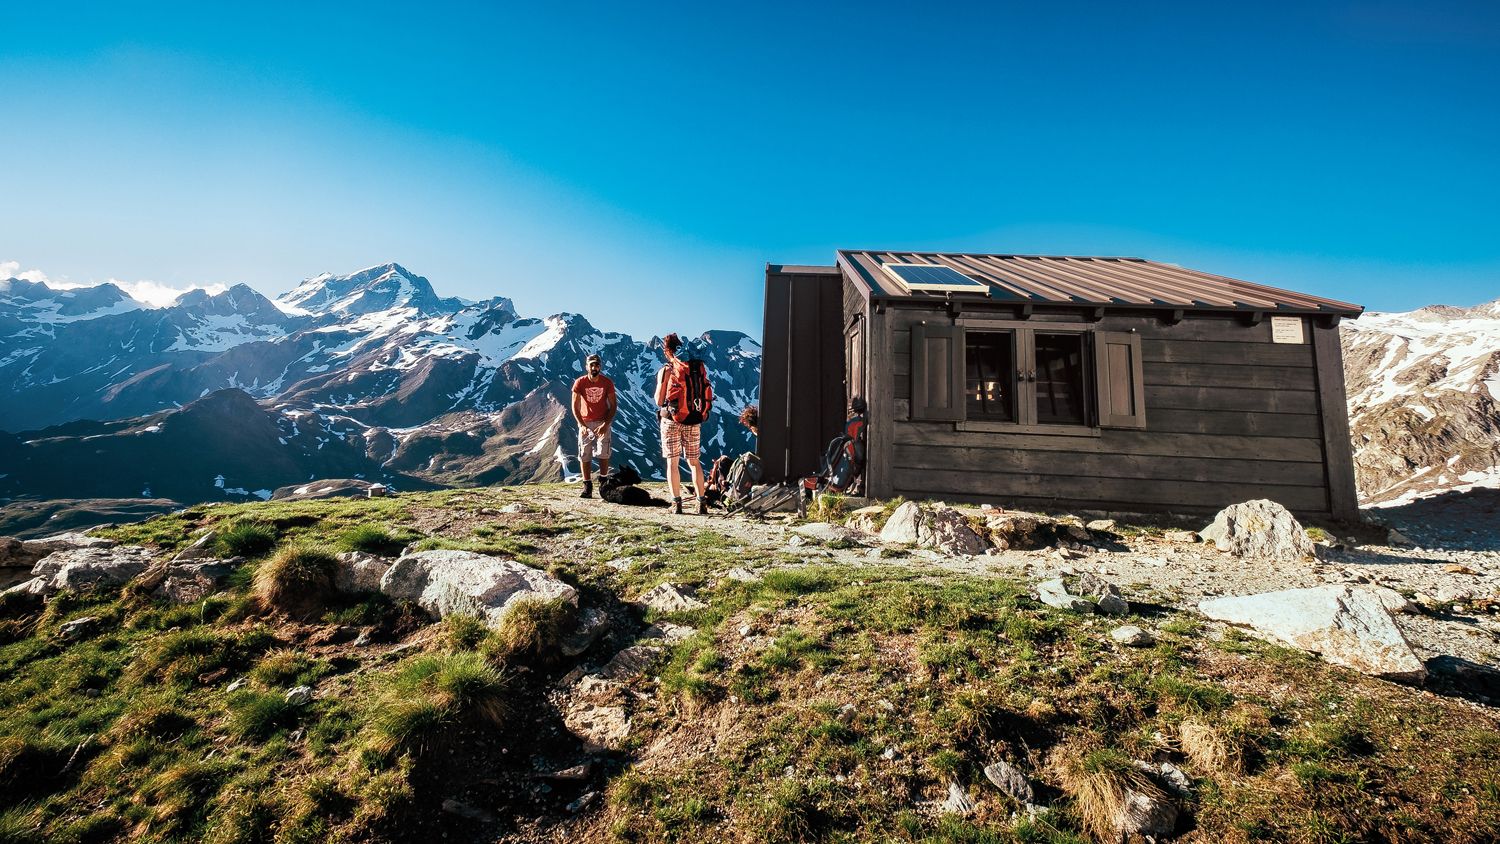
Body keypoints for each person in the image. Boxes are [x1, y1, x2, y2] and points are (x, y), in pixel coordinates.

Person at [655, 333, 710, 514]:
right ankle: (701, 502)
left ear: (667, 351)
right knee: (694, 461)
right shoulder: (697, 366)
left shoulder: (667, 369)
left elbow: (659, 400)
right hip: (694, 418)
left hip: (671, 420)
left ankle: (676, 503)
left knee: (673, 462)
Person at [571, 353, 616, 499]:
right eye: (591, 364)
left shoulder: (607, 383)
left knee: (604, 452)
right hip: (586, 422)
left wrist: (605, 424)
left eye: (596, 364)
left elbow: (613, 405)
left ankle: (603, 483)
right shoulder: (580, 383)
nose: (594, 367)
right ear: (586, 366)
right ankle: (587, 485)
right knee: (585, 453)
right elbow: (575, 406)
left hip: (603, 421)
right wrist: (581, 425)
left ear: (600, 366)